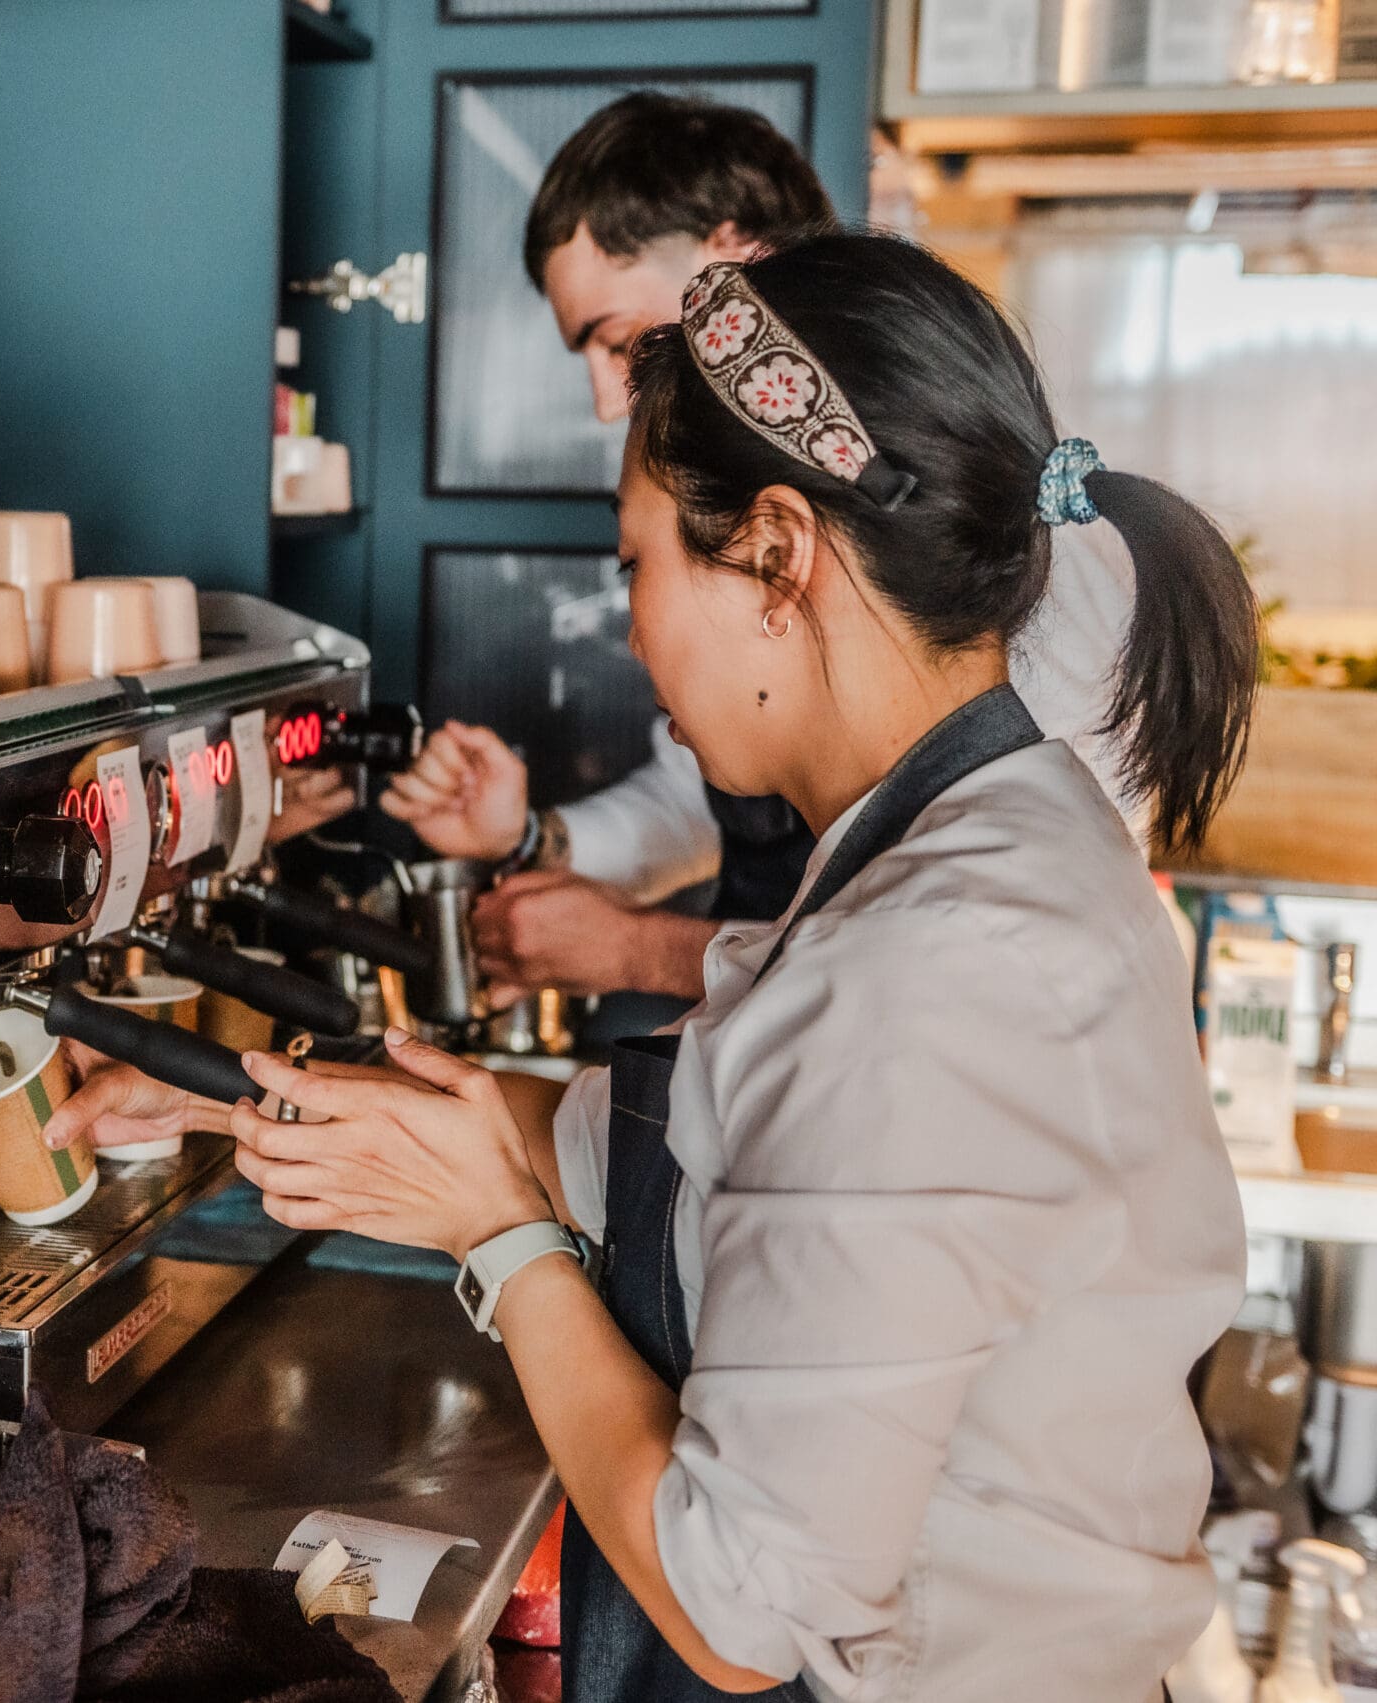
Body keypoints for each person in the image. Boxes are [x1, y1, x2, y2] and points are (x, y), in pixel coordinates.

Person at [219, 232, 1251, 1699]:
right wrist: (231, 1100)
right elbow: (662, 1140)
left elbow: (742, 1602)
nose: (637, 627)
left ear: (776, 554)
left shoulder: (930, 963)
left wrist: (500, 1245)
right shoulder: (968, 830)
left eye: (638, 562)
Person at [381, 92, 1138, 1004]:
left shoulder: (984, 526)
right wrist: (535, 840)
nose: (605, 401)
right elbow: (710, 799)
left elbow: (984, 943)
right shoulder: (759, 548)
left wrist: (639, 951)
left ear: (737, 260)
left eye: (621, 339)